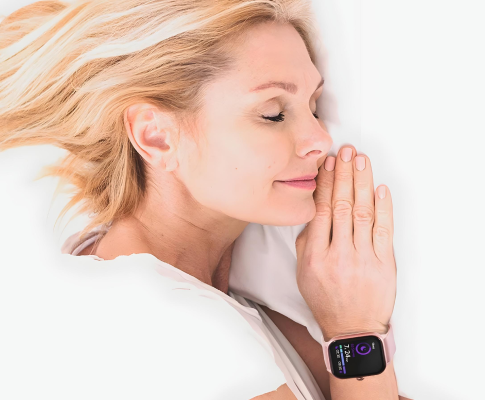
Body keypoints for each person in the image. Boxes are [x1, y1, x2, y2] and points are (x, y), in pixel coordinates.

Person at [0, 1, 410, 399]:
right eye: (273, 114)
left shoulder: (210, 289)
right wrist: (355, 331)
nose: (320, 139)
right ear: (156, 137)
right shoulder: (174, 324)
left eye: (314, 107)